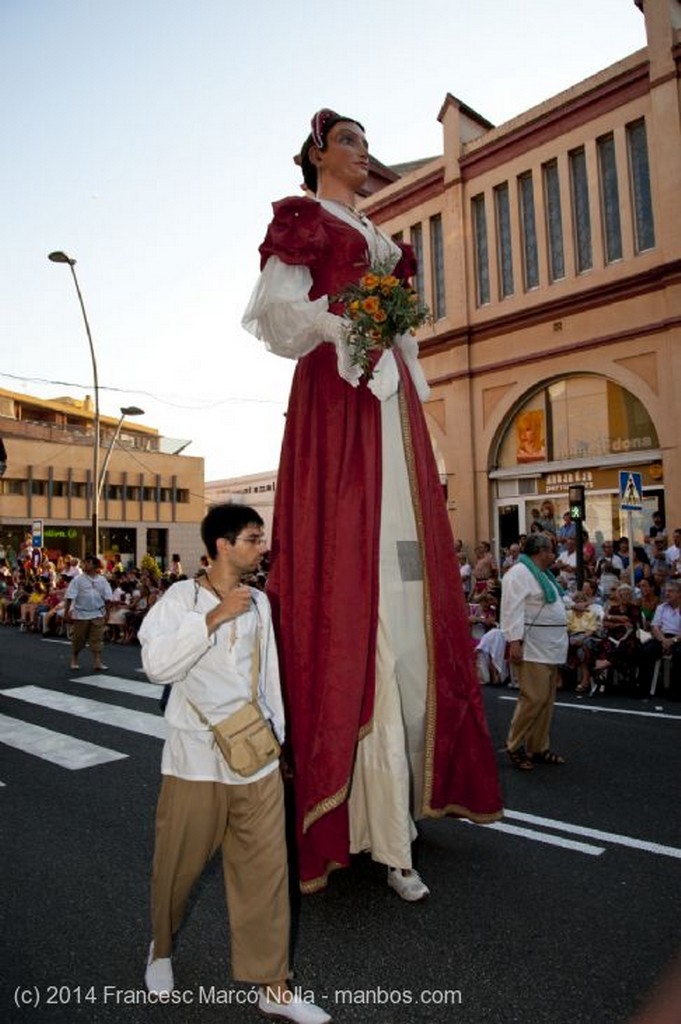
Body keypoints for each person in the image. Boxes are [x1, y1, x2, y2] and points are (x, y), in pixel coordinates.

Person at [242, 108, 502, 898]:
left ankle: (393, 809)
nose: (364, 153)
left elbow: (405, 336)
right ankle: (365, 825)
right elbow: (282, 320)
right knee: (356, 590)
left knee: (410, 592)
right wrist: (349, 319)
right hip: (337, 398)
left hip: (387, 406)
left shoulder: (379, 236)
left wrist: (395, 346)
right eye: (350, 140)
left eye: (365, 141)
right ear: (319, 153)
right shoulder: (304, 223)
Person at [139, 504, 330, 1024]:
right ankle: (160, 949)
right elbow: (156, 667)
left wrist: (278, 743)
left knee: (267, 873)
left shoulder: (261, 604)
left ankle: (274, 985)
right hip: (194, 758)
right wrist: (212, 619)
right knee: (177, 868)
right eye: (252, 538)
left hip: (254, 759)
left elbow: (267, 679)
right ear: (222, 544)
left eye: (260, 538)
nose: (261, 547)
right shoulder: (180, 598)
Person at [501, 533, 568, 770]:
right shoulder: (518, 574)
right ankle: (514, 745)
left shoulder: (544, 576)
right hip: (533, 647)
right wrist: (515, 641)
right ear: (540, 552)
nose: (554, 554)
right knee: (533, 698)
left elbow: (553, 604)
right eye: (551, 550)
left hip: (550, 646)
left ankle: (538, 747)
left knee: (546, 701)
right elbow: (511, 609)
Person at [64, 555, 113, 671]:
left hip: (98, 613)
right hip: (81, 614)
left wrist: (108, 613)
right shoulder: (78, 580)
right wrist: (66, 612)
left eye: (88, 562)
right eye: (84, 562)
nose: (85, 565)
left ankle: (97, 662)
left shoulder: (102, 580)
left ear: (95, 565)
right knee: (79, 639)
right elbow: (69, 596)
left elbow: (108, 598)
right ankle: (74, 658)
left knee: (97, 639)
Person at [637, 580, 681, 699]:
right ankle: (643, 688)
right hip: (662, 637)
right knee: (645, 650)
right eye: (666, 591)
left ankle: (676, 691)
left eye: (670, 591)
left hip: (678, 638)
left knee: (679, 653)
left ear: (679, 593)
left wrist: (673, 641)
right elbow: (655, 626)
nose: (667, 594)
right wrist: (663, 641)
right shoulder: (661, 607)